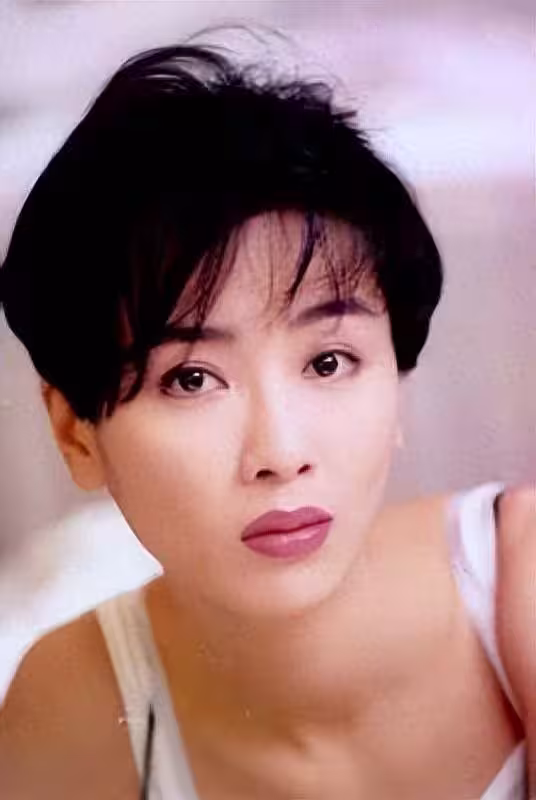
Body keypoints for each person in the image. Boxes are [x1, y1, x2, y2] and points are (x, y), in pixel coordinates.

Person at [0, 40, 534, 800]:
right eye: (191, 379)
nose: (281, 453)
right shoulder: (74, 709)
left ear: (397, 380)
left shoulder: (521, 579)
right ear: (74, 434)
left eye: (329, 363)